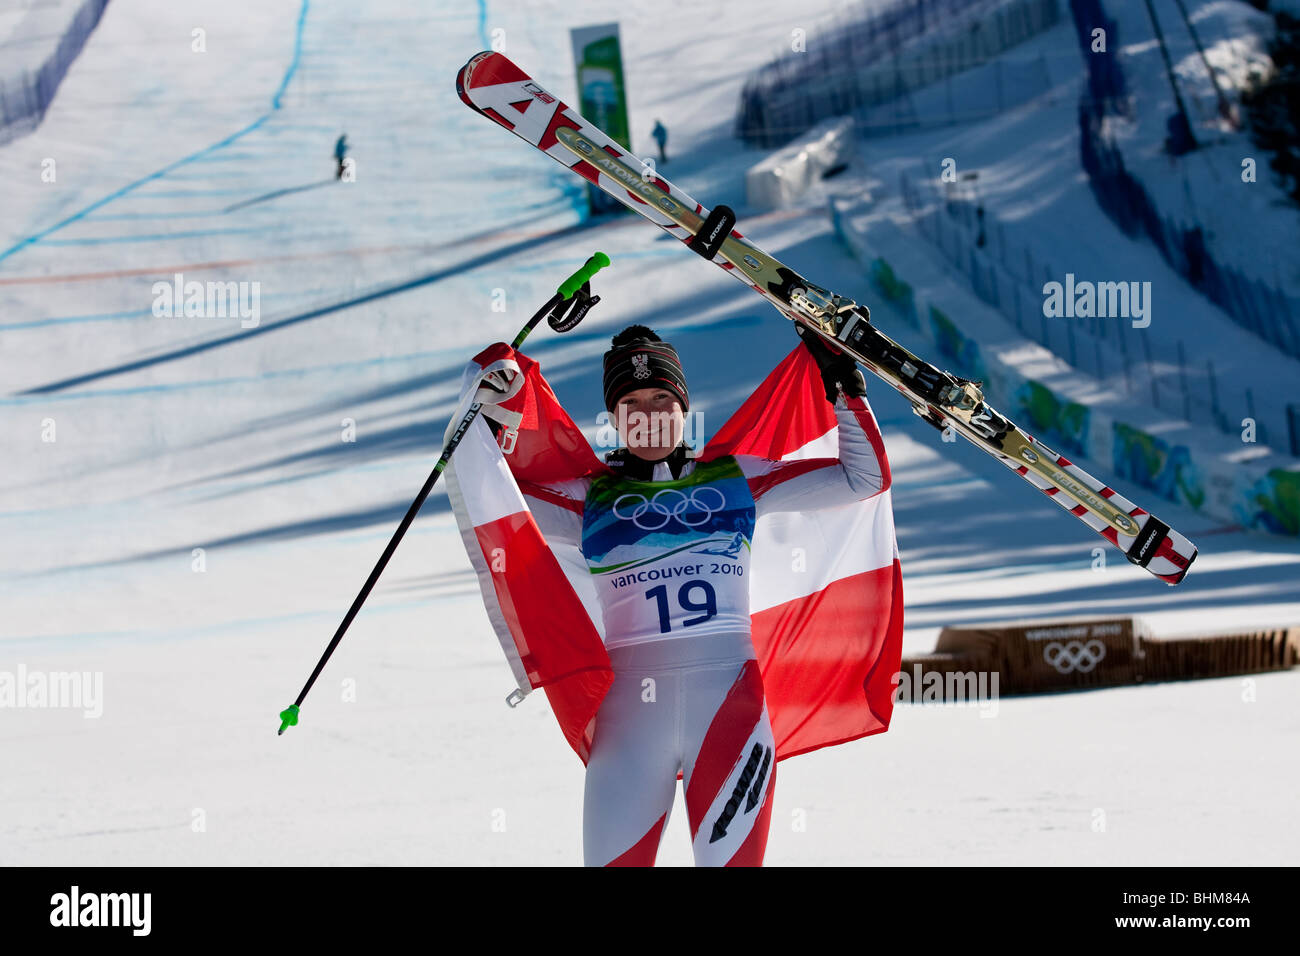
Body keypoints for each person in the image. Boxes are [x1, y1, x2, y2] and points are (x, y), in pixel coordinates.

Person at [508, 323, 886, 865]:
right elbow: (489, 498)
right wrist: (492, 409)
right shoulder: (590, 497)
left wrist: (845, 387)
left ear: (684, 405)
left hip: (730, 709)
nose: (649, 412)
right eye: (631, 401)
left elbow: (863, 480)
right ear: (614, 418)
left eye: (663, 396)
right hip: (630, 725)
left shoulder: (737, 478)